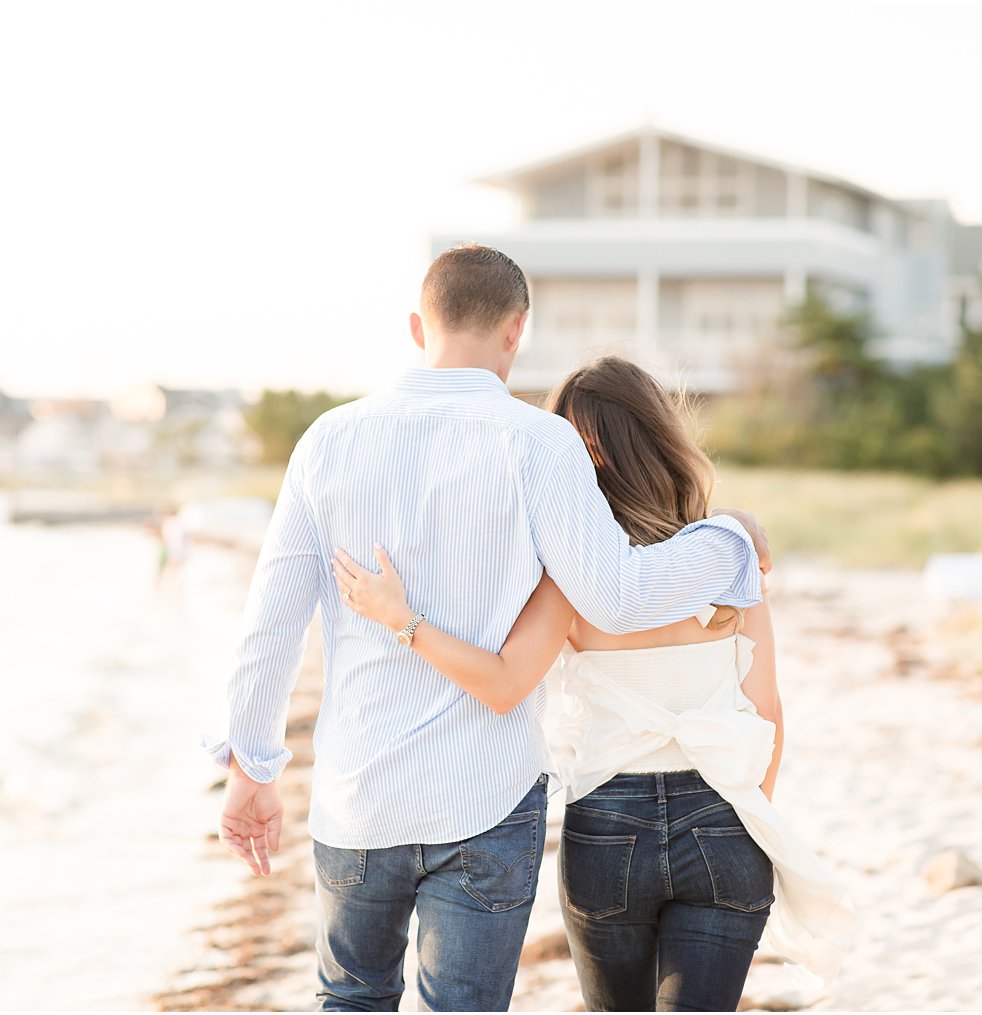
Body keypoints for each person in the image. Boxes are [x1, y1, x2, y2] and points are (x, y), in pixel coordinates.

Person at [204, 245, 772, 1012]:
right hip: (488, 799)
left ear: (417, 326)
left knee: (349, 1000)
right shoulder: (541, 444)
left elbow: (269, 625)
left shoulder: (328, 440)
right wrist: (730, 539)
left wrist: (253, 767)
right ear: (518, 330)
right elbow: (615, 597)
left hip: (359, 791)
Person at [333, 356, 857, 1011]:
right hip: (723, 816)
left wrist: (401, 619)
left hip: (609, 826)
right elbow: (767, 710)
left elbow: (502, 684)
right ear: (659, 436)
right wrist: (748, 820)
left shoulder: (567, 579)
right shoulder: (724, 552)